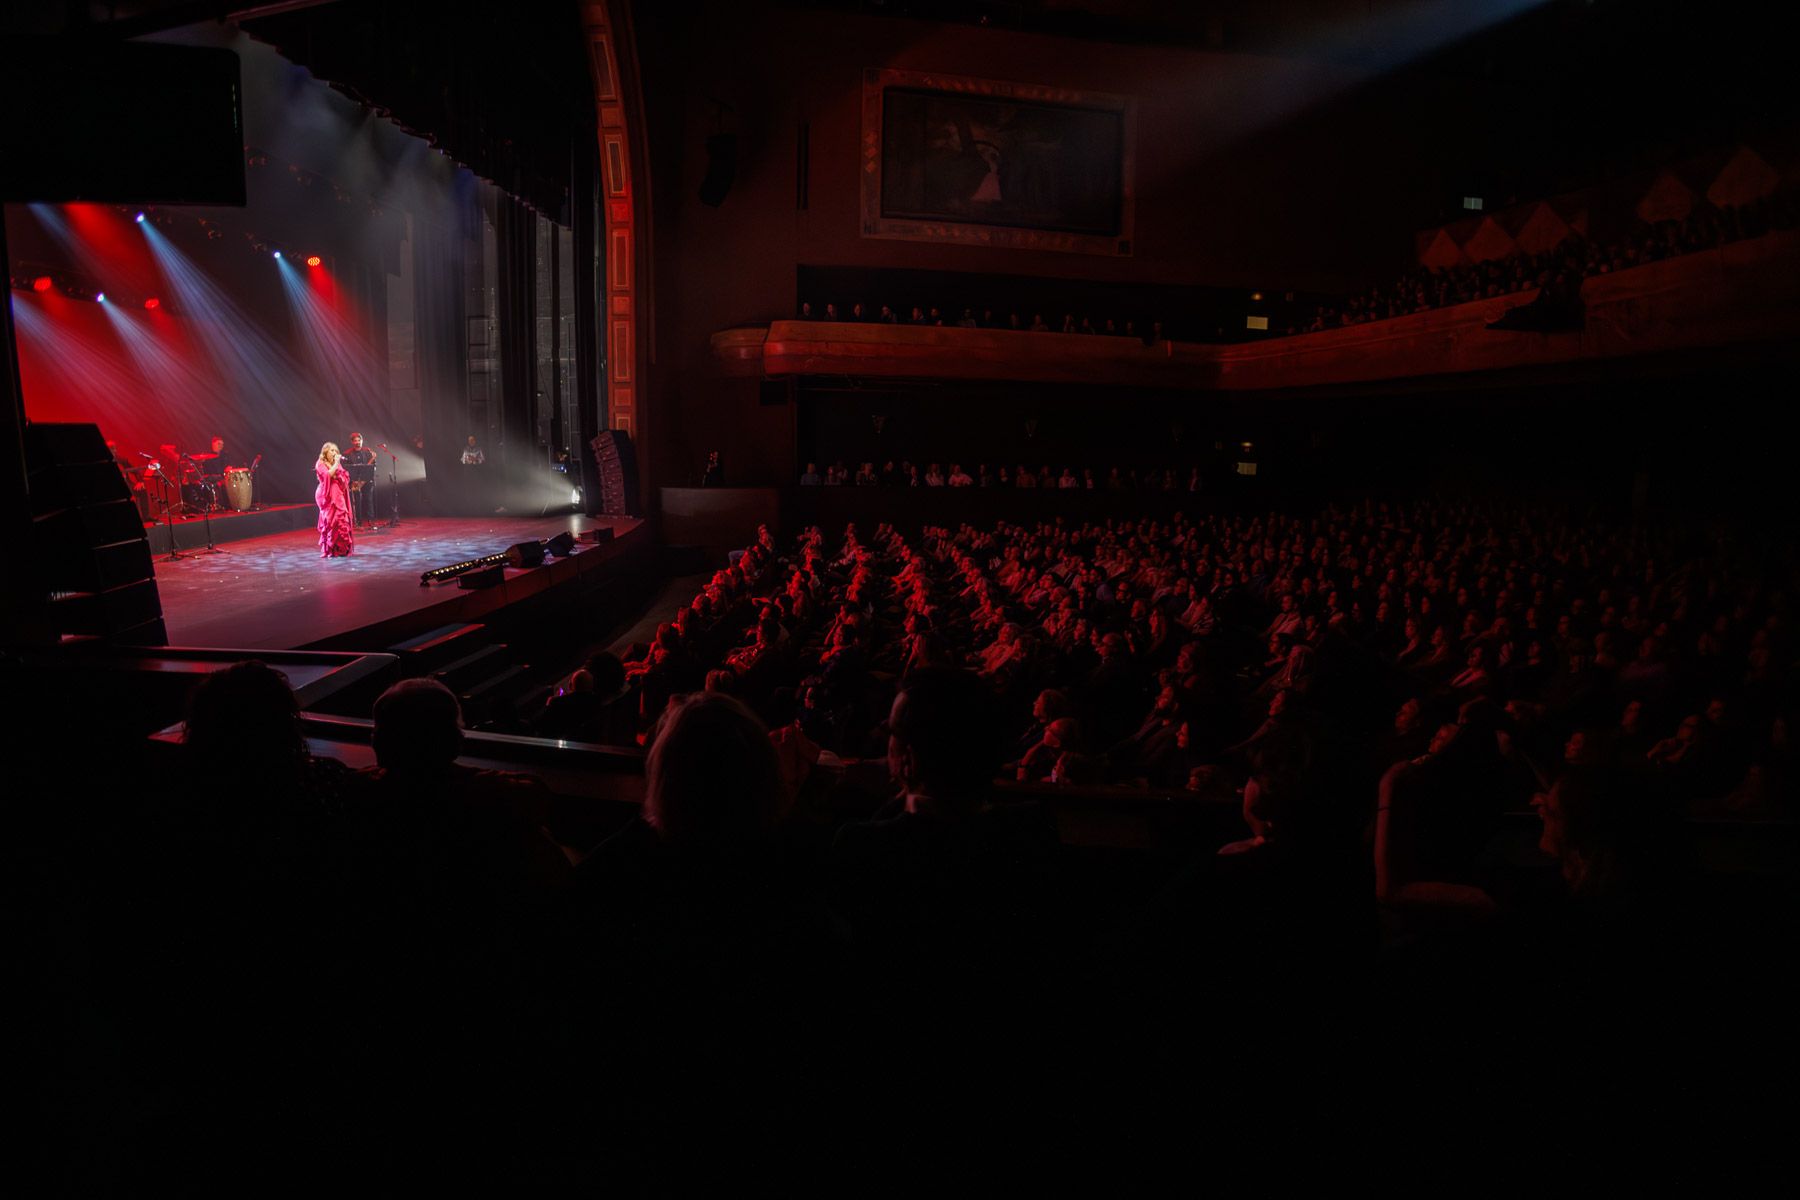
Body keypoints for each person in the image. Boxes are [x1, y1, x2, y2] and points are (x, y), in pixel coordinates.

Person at [314, 441, 354, 558]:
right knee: (331, 521)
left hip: (337, 495)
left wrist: (342, 477)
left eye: (336, 451)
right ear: (325, 452)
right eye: (332, 450)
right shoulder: (320, 463)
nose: (334, 452)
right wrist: (336, 464)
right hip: (326, 496)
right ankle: (331, 549)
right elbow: (327, 475)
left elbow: (343, 477)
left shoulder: (336, 463)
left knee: (340, 520)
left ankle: (340, 549)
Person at [343, 431, 379, 528]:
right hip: (355, 481)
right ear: (352, 442)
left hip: (367, 481)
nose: (357, 442)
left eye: (359, 440)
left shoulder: (367, 451)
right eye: (355, 441)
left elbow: (373, 466)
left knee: (369, 500)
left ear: (362, 441)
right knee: (357, 501)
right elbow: (346, 468)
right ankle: (358, 521)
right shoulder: (348, 453)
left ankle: (371, 520)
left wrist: (373, 459)